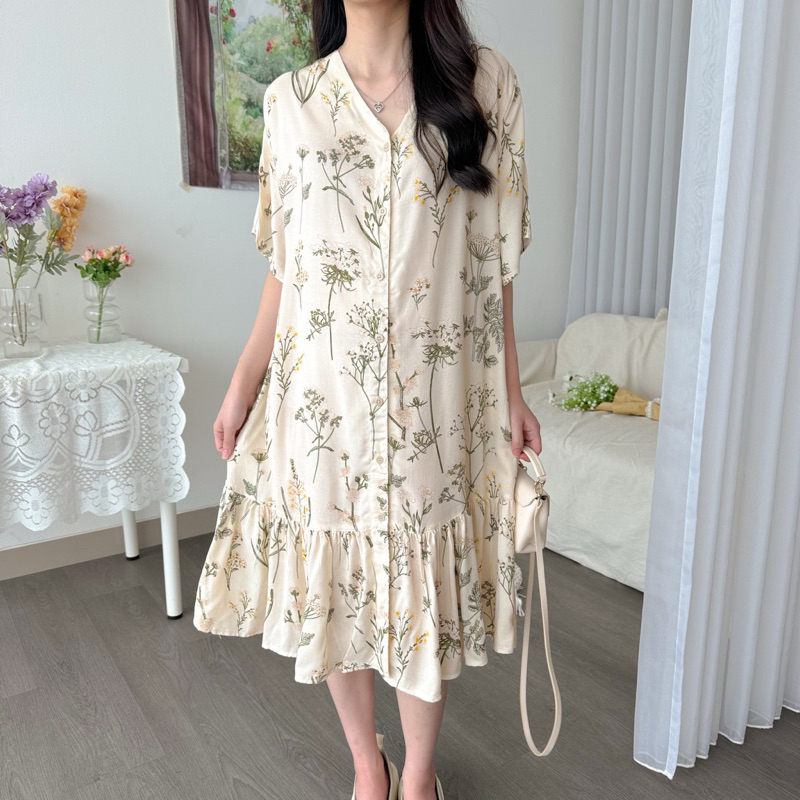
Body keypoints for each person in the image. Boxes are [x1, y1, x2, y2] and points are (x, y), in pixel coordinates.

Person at [193, 1, 542, 798]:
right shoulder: (290, 101)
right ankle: (367, 764)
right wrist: (245, 381)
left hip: (433, 408)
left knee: (421, 586)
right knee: (332, 586)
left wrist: (513, 393)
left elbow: (493, 267)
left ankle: (418, 776)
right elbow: (286, 267)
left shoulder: (485, 85)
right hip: (321, 405)